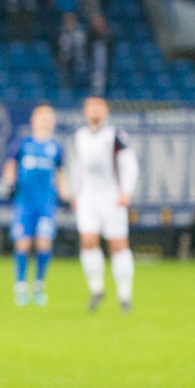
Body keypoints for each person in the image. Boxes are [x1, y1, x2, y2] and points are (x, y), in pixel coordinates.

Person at [71, 96, 140, 313]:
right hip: (88, 197)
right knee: (88, 241)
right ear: (85, 111)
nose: (94, 111)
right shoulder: (79, 136)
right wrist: (75, 193)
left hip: (111, 196)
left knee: (118, 244)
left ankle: (125, 296)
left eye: (98, 107)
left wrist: (126, 192)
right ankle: (97, 289)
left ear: (106, 111)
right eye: (91, 107)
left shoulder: (115, 135)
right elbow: (78, 167)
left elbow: (130, 164)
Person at [0, 104, 70, 307]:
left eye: (48, 117)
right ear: (33, 120)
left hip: (46, 203)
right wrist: (9, 182)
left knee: (44, 242)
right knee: (23, 242)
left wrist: (66, 194)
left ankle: (39, 284)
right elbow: (10, 165)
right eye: (42, 117)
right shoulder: (23, 144)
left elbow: (61, 173)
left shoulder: (56, 147)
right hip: (25, 203)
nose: (45, 121)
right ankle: (21, 286)